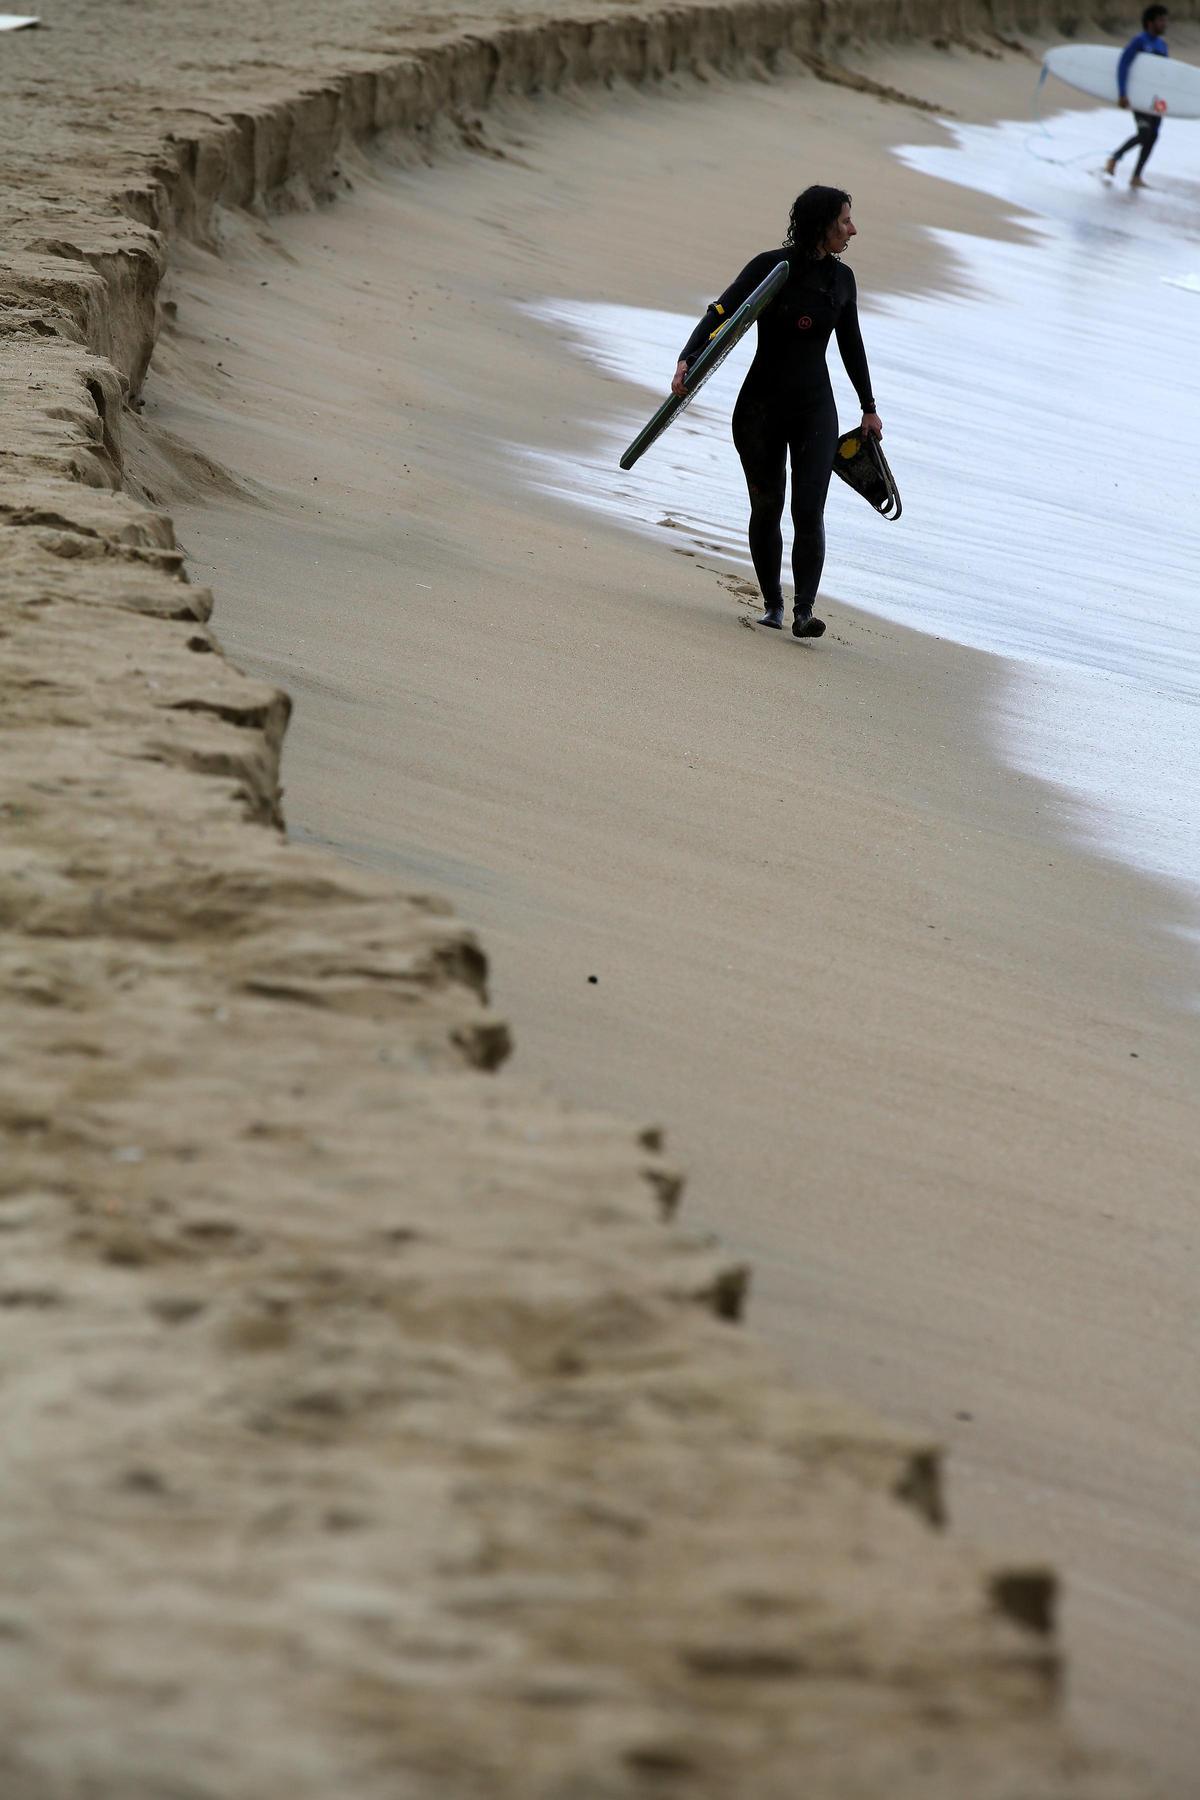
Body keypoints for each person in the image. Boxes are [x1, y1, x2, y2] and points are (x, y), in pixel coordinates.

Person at [671, 187, 882, 638]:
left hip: (814, 412)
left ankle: (804, 611)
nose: (853, 229)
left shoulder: (841, 281)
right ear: (824, 224)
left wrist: (869, 408)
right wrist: (688, 357)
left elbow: (852, 345)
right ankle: (772, 605)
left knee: (809, 511)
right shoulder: (772, 267)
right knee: (766, 507)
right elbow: (723, 311)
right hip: (760, 409)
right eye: (845, 221)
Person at [1104, 5, 1170, 188]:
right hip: (1139, 96)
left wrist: (1166, 100)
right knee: (1144, 133)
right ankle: (1114, 158)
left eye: (1165, 20)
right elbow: (1123, 65)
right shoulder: (1139, 41)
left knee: (1154, 135)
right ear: (1150, 23)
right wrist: (1122, 93)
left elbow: (1164, 74)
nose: (1165, 24)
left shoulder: (1162, 45)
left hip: (1157, 99)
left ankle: (1136, 177)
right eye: (1161, 20)